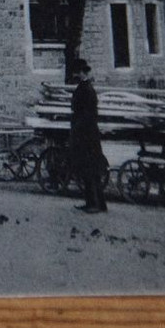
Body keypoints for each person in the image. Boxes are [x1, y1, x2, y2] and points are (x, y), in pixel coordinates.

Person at [69, 58, 108, 213]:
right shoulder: (83, 87)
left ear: (82, 73)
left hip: (87, 135)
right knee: (87, 170)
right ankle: (93, 202)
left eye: (78, 72)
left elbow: (88, 114)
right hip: (85, 133)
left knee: (90, 170)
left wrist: (77, 130)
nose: (76, 75)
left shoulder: (87, 90)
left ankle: (96, 204)